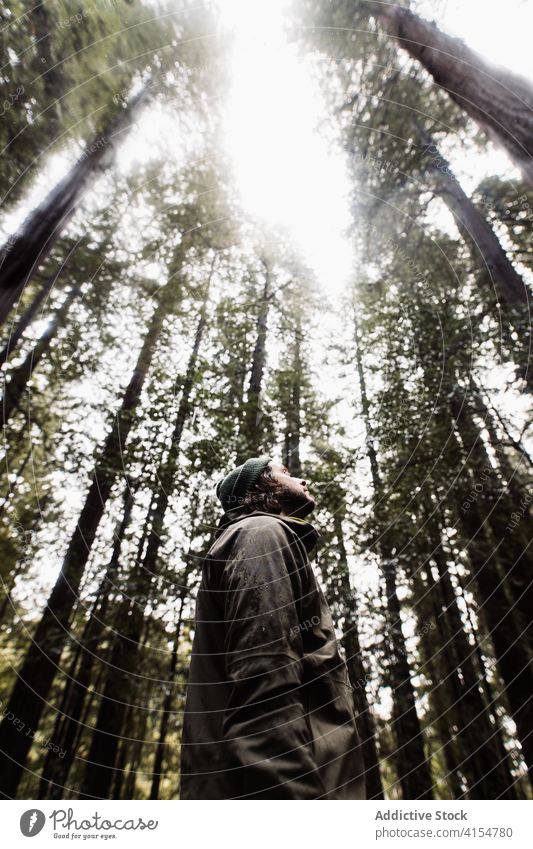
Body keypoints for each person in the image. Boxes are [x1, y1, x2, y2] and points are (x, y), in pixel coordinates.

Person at [179, 455, 366, 799]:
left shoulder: (263, 537)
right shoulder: (259, 534)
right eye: (286, 472)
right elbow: (264, 676)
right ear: (260, 486)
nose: (303, 480)